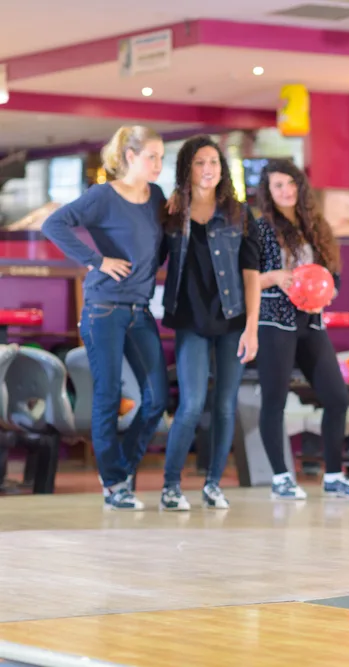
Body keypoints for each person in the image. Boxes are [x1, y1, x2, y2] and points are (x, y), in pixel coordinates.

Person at [41, 125, 169, 511]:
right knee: (108, 395)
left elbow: (157, 249)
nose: (158, 165)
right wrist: (97, 261)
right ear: (130, 156)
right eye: (152, 157)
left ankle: (122, 470)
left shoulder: (156, 196)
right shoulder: (102, 196)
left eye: (162, 157)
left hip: (140, 309)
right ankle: (114, 484)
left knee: (156, 399)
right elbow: (54, 224)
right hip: (104, 309)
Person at [254, 159, 349, 501]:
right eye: (277, 186)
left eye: (291, 184)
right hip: (274, 321)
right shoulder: (260, 229)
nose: (286, 191)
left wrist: (329, 290)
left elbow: (332, 276)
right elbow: (245, 280)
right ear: (268, 192)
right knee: (274, 402)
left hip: (311, 322)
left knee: (337, 397)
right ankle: (281, 478)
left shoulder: (315, 226)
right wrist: (275, 277)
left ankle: (334, 476)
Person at [158, 135, 261, 511]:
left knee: (224, 405)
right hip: (190, 321)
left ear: (223, 168)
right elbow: (151, 258)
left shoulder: (240, 213)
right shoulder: (171, 212)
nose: (207, 170)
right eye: (200, 163)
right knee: (191, 404)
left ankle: (213, 484)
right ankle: (171, 486)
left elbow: (251, 274)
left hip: (233, 321)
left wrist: (252, 327)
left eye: (213, 163)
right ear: (187, 168)